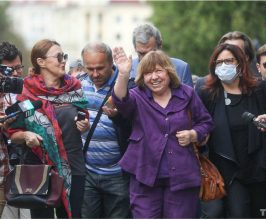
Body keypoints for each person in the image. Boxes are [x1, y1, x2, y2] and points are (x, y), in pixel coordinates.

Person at [111, 48, 213, 218]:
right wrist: (123, 74)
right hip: (144, 177)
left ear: (169, 72)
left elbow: (206, 122)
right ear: (142, 77)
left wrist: (193, 134)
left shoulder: (187, 93)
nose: (154, 77)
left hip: (182, 177)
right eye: (148, 73)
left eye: (158, 71)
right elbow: (120, 100)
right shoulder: (137, 96)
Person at [7, 39, 90, 218]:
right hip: (39, 169)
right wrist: (26, 134)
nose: (63, 61)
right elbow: (13, 134)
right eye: (58, 56)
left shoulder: (74, 88)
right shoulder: (27, 91)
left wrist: (84, 125)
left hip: (73, 168)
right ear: (41, 62)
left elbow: (83, 116)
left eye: (64, 56)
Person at [196, 43, 266, 218]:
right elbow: (200, 124)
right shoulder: (208, 94)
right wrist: (200, 135)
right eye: (218, 62)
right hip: (228, 170)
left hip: (258, 167)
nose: (223, 66)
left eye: (228, 60)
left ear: (240, 63)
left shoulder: (258, 89)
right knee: (238, 212)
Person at [79, 42, 131, 218]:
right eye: (90, 68)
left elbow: (135, 127)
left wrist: (119, 116)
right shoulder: (78, 85)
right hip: (88, 173)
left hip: (118, 174)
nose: (95, 74)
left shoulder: (126, 85)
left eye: (100, 68)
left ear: (111, 63)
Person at [0, 42, 31, 219]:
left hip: (7, 177)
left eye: (18, 67)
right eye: (8, 70)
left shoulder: (14, 94)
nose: (15, 73)